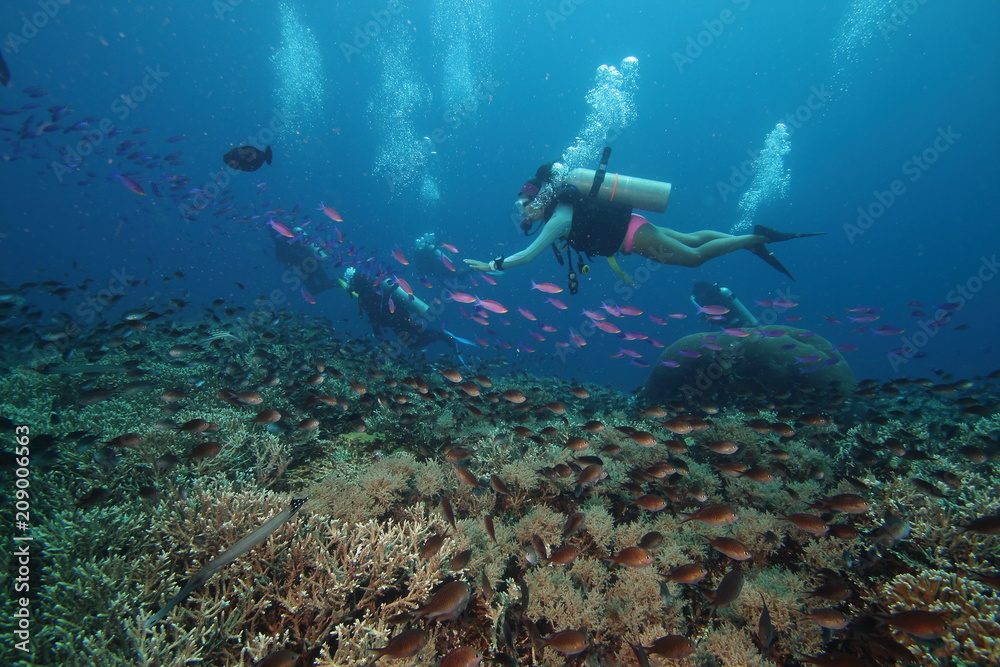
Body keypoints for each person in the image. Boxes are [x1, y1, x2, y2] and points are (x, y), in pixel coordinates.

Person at [464, 162, 821, 281]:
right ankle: (749, 237)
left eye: (525, 205)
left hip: (632, 237)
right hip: (632, 224)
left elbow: (527, 256)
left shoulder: (558, 218)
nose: (524, 213)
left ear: (539, 197)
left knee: (693, 258)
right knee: (694, 238)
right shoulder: (564, 207)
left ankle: (756, 240)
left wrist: (492, 265)